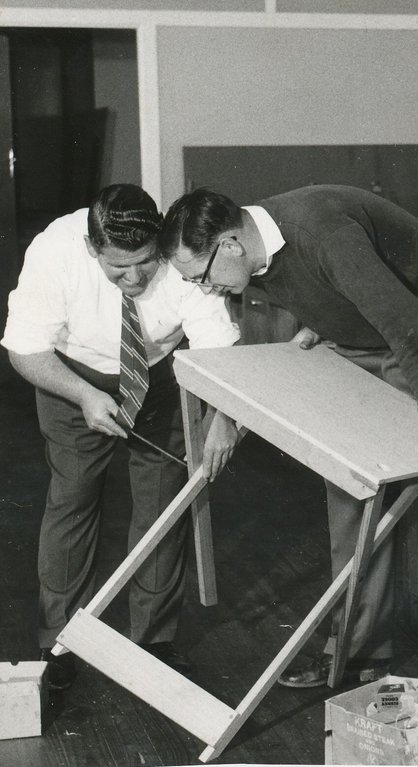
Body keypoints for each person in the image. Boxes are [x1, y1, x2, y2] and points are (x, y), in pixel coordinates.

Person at [158, 185, 418, 696]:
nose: (206, 289)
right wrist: (320, 321)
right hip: (366, 332)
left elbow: (410, 324)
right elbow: (307, 286)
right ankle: (358, 649)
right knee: (353, 486)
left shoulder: (321, 233)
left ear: (230, 244)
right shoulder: (249, 255)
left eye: (202, 277)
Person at [1, 184, 241, 690]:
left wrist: (224, 419)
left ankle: (152, 641)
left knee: (162, 506)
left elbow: (219, 349)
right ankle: (60, 642)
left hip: (162, 374)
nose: (134, 277)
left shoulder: (179, 253)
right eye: (117, 268)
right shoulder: (54, 251)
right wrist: (84, 396)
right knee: (73, 497)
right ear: (93, 249)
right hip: (73, 375)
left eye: (145, 263)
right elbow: (25, 350)